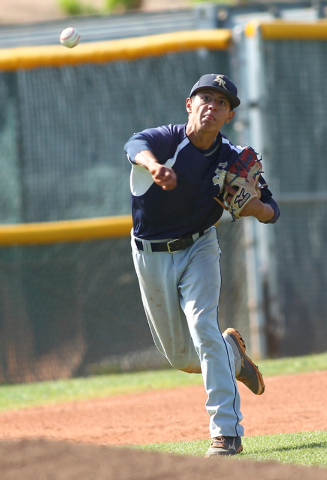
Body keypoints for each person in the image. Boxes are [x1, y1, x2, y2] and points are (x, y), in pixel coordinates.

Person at [124, 74, 280, 457]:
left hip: (200, 249)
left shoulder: (233, 155)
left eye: (222, 102)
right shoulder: (165, 141)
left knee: (202, 325)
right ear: (190, 104)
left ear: (228, 115)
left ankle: (226, 434)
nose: (212, 105)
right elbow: (134, 144)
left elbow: (272, 211)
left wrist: (253, 207)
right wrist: (153, 166)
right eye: (205, 98)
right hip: (150, 254)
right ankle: (232, 352)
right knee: (182, 357)